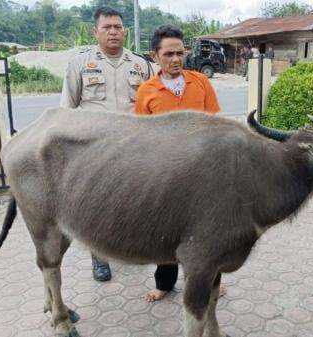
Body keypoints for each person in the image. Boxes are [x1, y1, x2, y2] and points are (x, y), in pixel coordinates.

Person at [60, 6, 154, 282]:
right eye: (107, 27)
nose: (113, 32)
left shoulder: (140, 65)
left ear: (124, 31)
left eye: (117, 27)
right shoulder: (80, 64)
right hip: (94, 150)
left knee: (133, 201)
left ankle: (126, 247)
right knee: (96, 205)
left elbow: (152, 104)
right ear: (96, 31)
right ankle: (99, 256)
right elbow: (66, 108)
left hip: (133, 148)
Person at [134, 25, 225, 301]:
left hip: (203, 173)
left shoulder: (201, 82)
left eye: (180, 53)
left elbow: (216, 126)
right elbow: (142, 136)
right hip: (166, 176)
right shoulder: (146, 91)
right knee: (168, 234)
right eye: (168, 54)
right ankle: (164, 284)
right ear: (155, 56)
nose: (176, 59)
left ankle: (212, 283)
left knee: (209, 234)